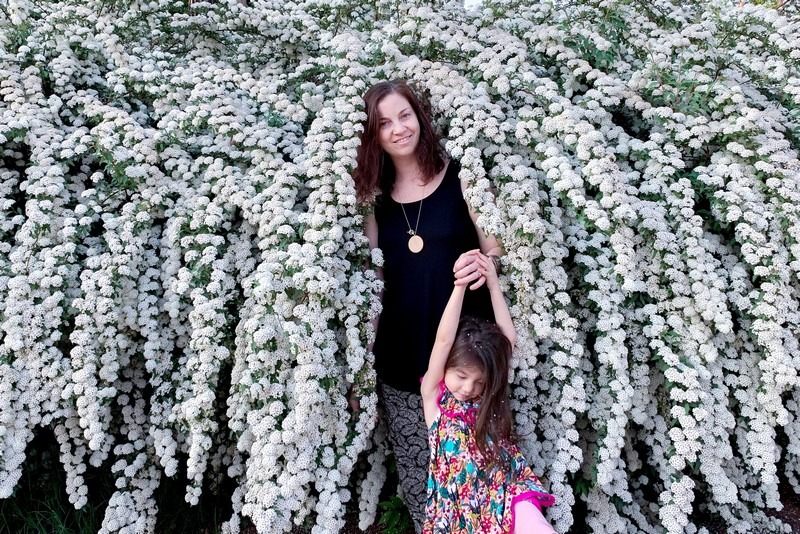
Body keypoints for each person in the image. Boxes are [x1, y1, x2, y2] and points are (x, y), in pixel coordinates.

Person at [354, 79, 504, 530]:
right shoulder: (374, 201)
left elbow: (495, 249)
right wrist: (363, 360)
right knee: (424, 484)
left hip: (466, 363)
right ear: (373, 136)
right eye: (384, 123)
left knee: (483, 479)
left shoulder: (462, 177)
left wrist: (483, 264)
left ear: (420, 116)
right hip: (402, 359)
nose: (399, 129)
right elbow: (375, 282)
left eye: (405, 115)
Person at [420, 254, 557, 534]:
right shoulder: (435, 398)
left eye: (479, 381)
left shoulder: (487, 396)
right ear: (446, 366)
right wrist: (459, 286)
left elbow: (507, 338)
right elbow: (444, 339)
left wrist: (494, 283)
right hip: (458, 509)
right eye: (461, 376)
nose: (469, 388)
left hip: (505, 492)